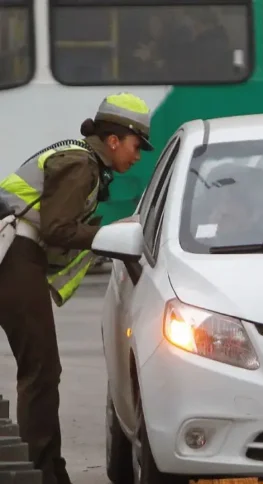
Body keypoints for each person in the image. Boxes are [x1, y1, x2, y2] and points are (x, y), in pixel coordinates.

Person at [0, 93, 153, 484]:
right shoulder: (80, 164)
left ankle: (47, 468)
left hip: (17, 256)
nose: (138, 156)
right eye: (137, 146)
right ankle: (46, 471)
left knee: (40, 370)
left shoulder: (81, 160)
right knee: (41, 371)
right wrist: (109, 235)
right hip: (15, 257)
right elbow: (56, 229)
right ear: (115, 140)